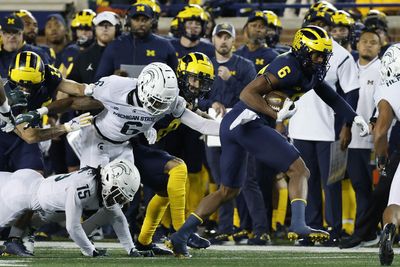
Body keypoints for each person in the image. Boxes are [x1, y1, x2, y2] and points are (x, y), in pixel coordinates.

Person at [166, 25, 370, 258]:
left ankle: (181, 234)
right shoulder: (287, 66)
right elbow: (247, 93)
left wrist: (354, 117)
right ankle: (299, 225)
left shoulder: (310, 69)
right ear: (302, 50)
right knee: (300, 171)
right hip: (247, 123)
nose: (321, 59)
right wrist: (275, 114)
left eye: (324, 55)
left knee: (227, 191)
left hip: (236, 125)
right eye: (316, 54)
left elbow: (329, 95)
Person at [0, 159, 150, 258]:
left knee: (63, 211)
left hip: (35, 193)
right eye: (118, 194)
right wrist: (91, 252)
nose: (119, 200)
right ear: (109, 180)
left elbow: (118, 218)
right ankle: (12, 241)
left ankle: (19, 237)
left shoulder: (100, 183)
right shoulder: (84, 186)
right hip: (20, 193)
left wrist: (131, 249)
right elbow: (72, 227)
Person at [95, 3, 177, 79]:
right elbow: (99, 79)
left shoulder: (165, 45)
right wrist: (113, 78)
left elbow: (176, 78)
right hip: (123, 93)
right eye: (136, 19)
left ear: (153, 21)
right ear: (128, 21)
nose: (141, 23)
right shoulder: (115, 46)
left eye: (145, 19)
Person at [374, 43, 400, 266]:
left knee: (395, 204)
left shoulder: (386, 89)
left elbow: (381, 130)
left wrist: (381, 157)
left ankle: (389, 231)